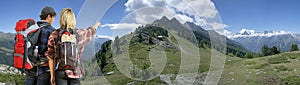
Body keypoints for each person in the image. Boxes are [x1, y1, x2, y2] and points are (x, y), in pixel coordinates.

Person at [45, 8, 100, 85]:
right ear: (73, 20)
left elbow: (50, 57)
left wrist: (52, 75)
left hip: (60, 71)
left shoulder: (54, 34)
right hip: (76, 71)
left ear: (61, 19)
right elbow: (91, 31)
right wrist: (97, 24)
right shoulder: (80, 34)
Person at [25, 6, 56, 85]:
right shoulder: (52, 30)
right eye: (53, 17)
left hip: (30, 68)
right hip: (44, 69)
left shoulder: (31, 29)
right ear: (49, 16)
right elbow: (52, 54)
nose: (53, 20)